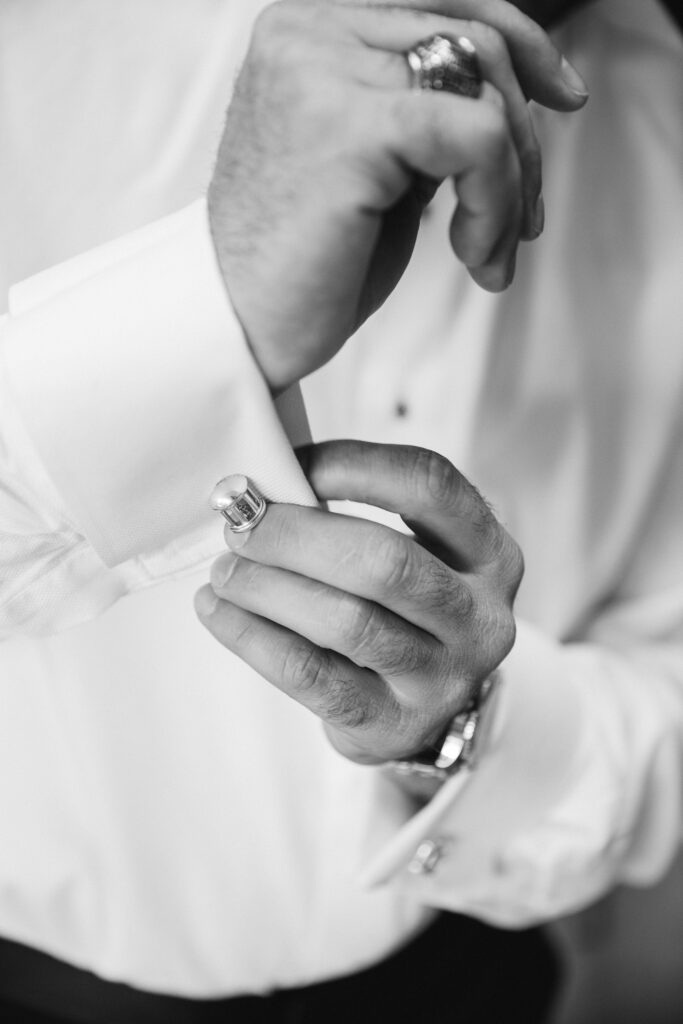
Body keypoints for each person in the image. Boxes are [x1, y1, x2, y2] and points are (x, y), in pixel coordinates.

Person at [0, 1, 681, 1022]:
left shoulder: (661, 113)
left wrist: (460, 736)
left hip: (469, 982)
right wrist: (208, 294)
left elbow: (662, 691)